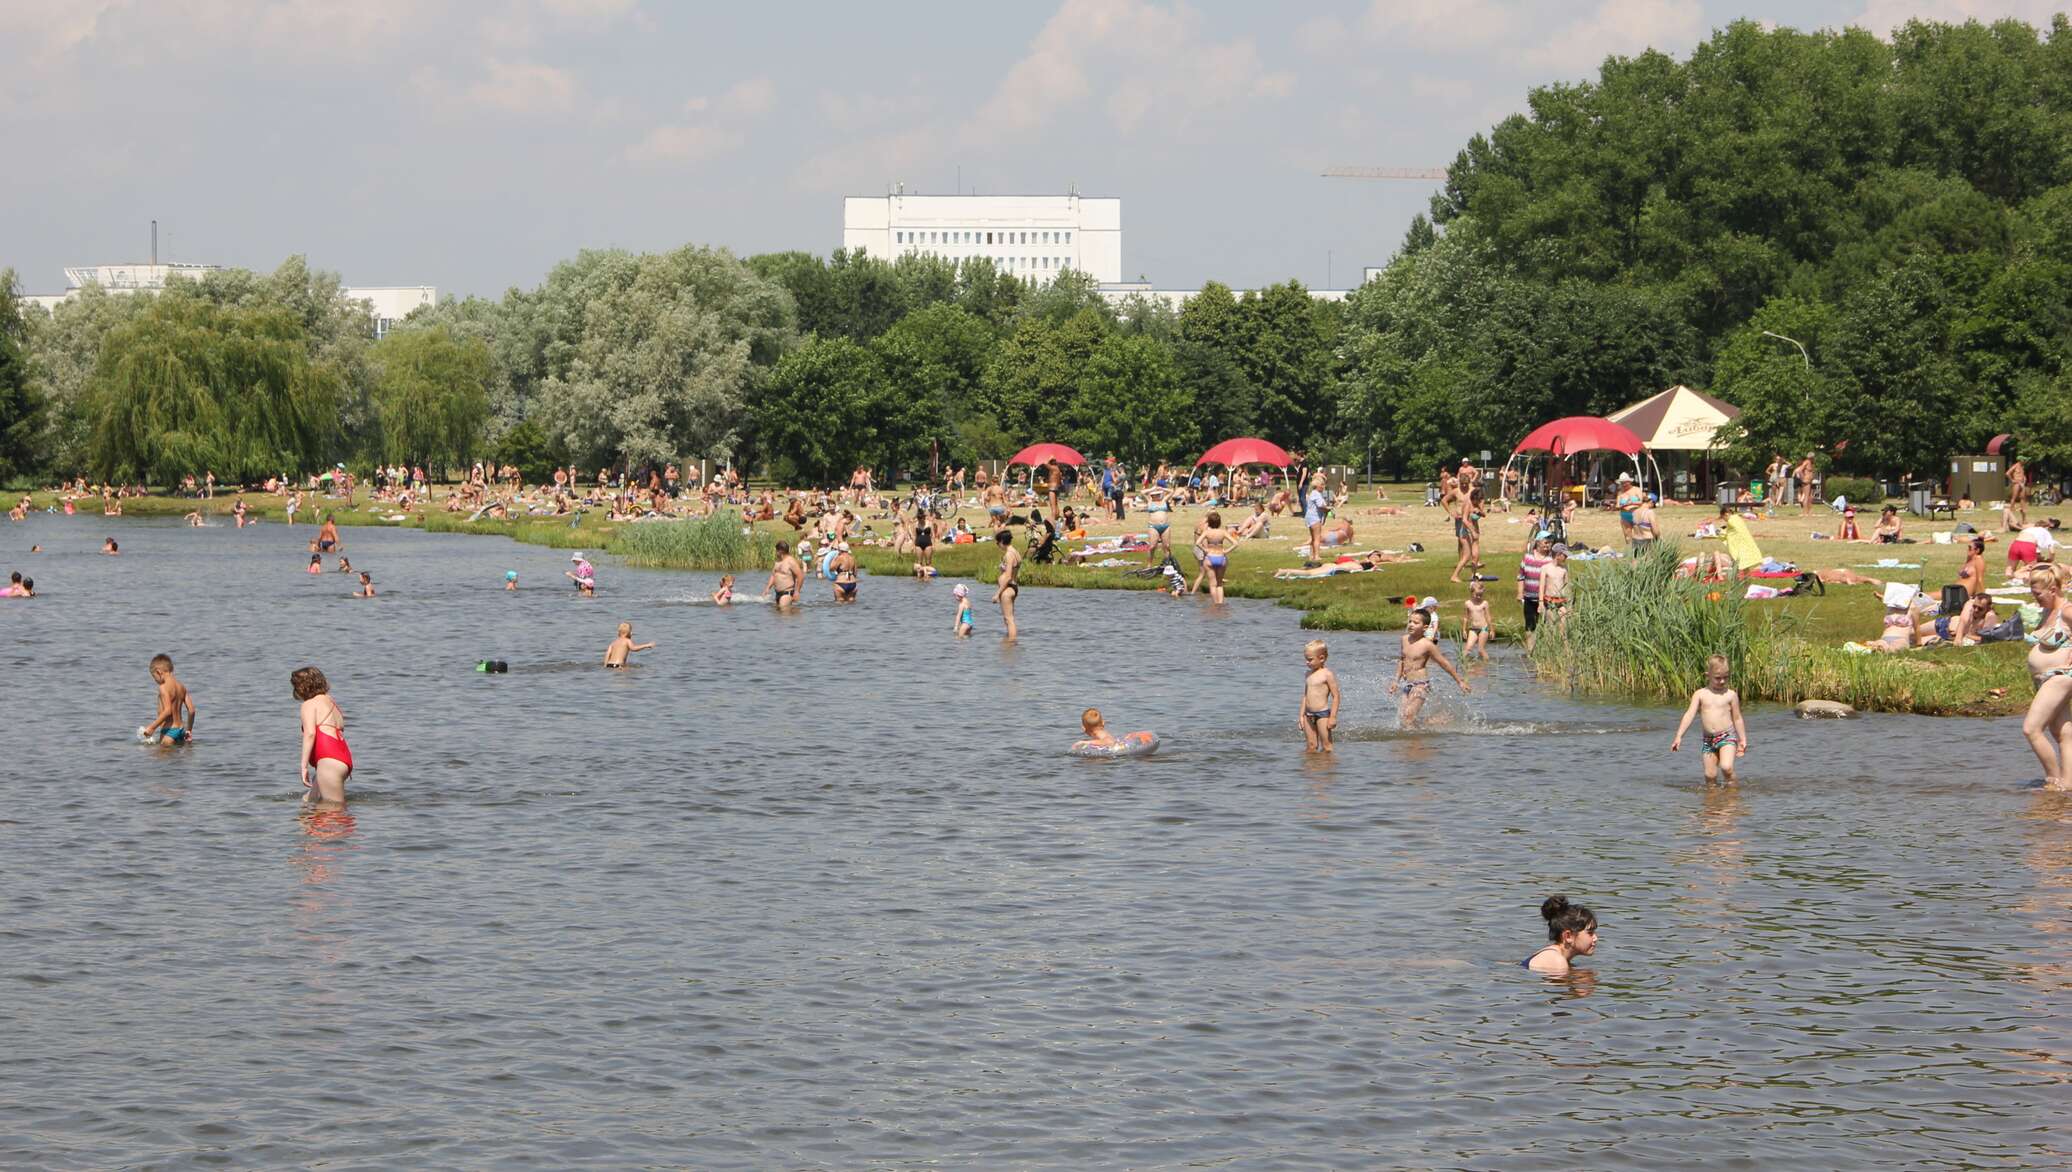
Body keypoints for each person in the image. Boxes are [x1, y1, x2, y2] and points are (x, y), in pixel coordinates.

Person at [2020, 568, 2072, 790]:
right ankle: (2068, 783)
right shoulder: (2046, 612)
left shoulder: (2067, 611)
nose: (2035, 598)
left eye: (2038, 594)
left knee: (2031, 729)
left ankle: (2053, 779)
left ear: (2053, 590)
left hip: (2061, 676)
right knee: (2062, 732)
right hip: (2045, 679)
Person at [1670, 654, 1749, 783]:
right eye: (1718, 678)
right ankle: (1712, 801)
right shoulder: (1700, 694)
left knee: (1726, 767)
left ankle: (1734, 793)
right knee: (1710, 775)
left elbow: (1738, 718)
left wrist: (1743, 739)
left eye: (1726, 677)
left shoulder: (1730, 695)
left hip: (1727, 736)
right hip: (1708, 740)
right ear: (1708, 676)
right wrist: (1679, 736)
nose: (1722, 681)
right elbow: (1689, 714)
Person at [1395, 608, 1469, 727]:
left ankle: (1415, 744)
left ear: (1424, 627)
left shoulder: (1427, 645)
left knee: (1408, 717)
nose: (1411, 625)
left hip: (1421, 684)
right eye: (1410, 621)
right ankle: (1431, 725)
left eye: (1415, 623)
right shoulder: (1404, 639)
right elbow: (1402, 660)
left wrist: (1459, 681)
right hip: (1407, 685)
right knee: (1403, 717)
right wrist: (1395, 681)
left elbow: (1444, 663)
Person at [294, 666, 352, 805]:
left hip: (329, 761)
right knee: (307, 805)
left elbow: (310, 734)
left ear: (303, 686)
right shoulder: (331, 702)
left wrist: (303, 767)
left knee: (332, 811)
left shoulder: (309, 704)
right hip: (342, 758)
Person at [1526, 896, 1599, 976]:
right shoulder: (1557, 961)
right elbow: (1556, 988)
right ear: (1568, 936)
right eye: (1590, 933)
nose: (1595, 938)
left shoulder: (1555, 955)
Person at [140, 654, 197, 746]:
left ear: (158, 672)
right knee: (176, 759)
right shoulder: (181, 687)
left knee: (159, 757)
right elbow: (192, 711)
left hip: (169, 731)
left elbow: (168, 711)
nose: (156, 681)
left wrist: (152, 727)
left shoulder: (163, 688)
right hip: (181, 730)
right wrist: (188, 730)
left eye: (154, 678)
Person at [1299, 639, 1340, 753]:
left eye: (1310, 660)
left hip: (1322, 714)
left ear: (1321, 658)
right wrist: (1301, 716)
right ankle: (1311, 768)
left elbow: (1336, 696)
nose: (1307, 662)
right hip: (1308, 715)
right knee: (1311, 746)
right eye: (1306, 659)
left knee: (1327, 747)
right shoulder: (1308, 674)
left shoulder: (1327, 674)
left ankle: (1327, 768)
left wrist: (1333, 717)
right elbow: (1305, 696)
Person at [1518, 534, 1553, 653]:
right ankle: (1530, 651)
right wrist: (1520, 593)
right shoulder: (1527, 558)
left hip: (1545, 598)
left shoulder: (1550, 560)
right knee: (1529, 625)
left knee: (1545, 625)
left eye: (1549, 543)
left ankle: (1545, 650)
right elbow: (1521, 576)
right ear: (1538, 543)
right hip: (1529, 597)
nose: (1548, 546)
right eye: (1546, 543)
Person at [1198, 511, 1237, 604]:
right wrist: (1226, 551)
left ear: (1209, 522)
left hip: (1210, 557)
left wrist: (1205, 549)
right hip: (1221, 557)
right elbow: (1235, 543)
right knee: (1219, 584)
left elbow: (1197, 543)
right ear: (1219, 522)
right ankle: (1220, 604)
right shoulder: (1223, 532)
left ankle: (1215, 604)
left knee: (1212, 584)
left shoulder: (1207, 532)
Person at [1538, 544, 1573, 639]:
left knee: (1564, 627)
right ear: (1558, 555)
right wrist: (1540, 603)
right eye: (1564, 555)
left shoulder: (1564, 569)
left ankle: (1566, 651)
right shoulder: (1545, 568)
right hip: (1549, 601)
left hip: (1562, 601)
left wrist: (1570, 605)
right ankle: (1551, 647)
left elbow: (1567, 586)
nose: (1566, 557)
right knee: (1551, 627)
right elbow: (1541, 586)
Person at [992, 528, 1021, 641]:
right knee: (1007, 619)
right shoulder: (1015, 552)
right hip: (1011, 587)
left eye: (997, 543)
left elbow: (1008, 576)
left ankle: (1011, 643)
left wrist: (997, 594)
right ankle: (1009, 641)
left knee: (1009, 619)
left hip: (1008, 589)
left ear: (1002, 542)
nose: (998, 546)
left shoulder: (1009, 554)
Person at [767, 541, 804, 611]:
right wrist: (767, 588)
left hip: (787, 593)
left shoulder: (791, 561)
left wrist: (797, 591)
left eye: (776, 551)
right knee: (778, 616)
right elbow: (773, 575)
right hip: (777, 593)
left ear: (781, 551)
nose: (776, 553)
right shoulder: (778, 562)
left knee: (784, 615)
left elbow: (800, 576)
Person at [1461, 579, 1493, 660]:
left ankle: (1487, 664)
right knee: (1467, 649)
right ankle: (1463, 665)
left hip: (1483, 628)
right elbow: (1466, 617)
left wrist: (1492, 630)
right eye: (1477, 595)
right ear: (1471, 593)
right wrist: (1464, 630)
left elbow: (1488, 617)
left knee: (1480, 650)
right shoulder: (1468, 603)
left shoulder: (1484, 603)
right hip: (1473, 629)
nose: (1479, 597)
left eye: (1480, 595)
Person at [1303, 472, 1329, 569]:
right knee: (1317, 538)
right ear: (1317, 486)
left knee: (1313, 538)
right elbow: (1320, 505)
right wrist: (1327, 509)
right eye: (1322, 485)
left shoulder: (1312, 493)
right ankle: (1317, 555)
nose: (1323, 486)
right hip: (1314, 517)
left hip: (1309, 517)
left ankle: (1312, 555)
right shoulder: (1317, 494)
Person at [1795, 452, 1817, 518]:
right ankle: (1805, 512)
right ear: (1811, 457)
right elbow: (1799, 470)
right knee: (1806, 497)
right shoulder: (1806, 462)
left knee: (1810, 497)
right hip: (1806, 481)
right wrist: (1803, 478)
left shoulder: (1811, 463)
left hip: (1810, 481)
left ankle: (1809, 512)